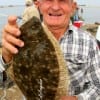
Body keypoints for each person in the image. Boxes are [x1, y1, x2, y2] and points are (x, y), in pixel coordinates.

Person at [0, 0, 100, 99]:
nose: (55, 7)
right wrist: (6, 58)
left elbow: (97, 85)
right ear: (38, 5)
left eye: (63, 1)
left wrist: (78, 98)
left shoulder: (88, 41)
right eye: (48, 0)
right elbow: (3, 83)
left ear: (73, 7)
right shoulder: (19, 40)